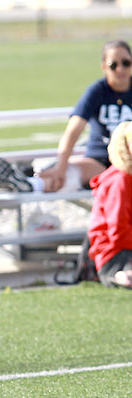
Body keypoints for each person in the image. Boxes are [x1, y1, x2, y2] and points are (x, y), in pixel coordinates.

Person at [0, 40, 132, 193]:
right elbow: (73, 130)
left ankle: (24, 182)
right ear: (104, 66)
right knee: (68, 175)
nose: (120, 69)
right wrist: (61, 166)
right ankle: (26, 185)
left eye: (126, 63)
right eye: (114, 64)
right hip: (100, 160)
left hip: (130, 158)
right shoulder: (97, 91)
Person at [88, 121, 132, 288]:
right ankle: (121, 276)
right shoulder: (120, 179)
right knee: (125, 274)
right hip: (114, 254)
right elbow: (118, 232)